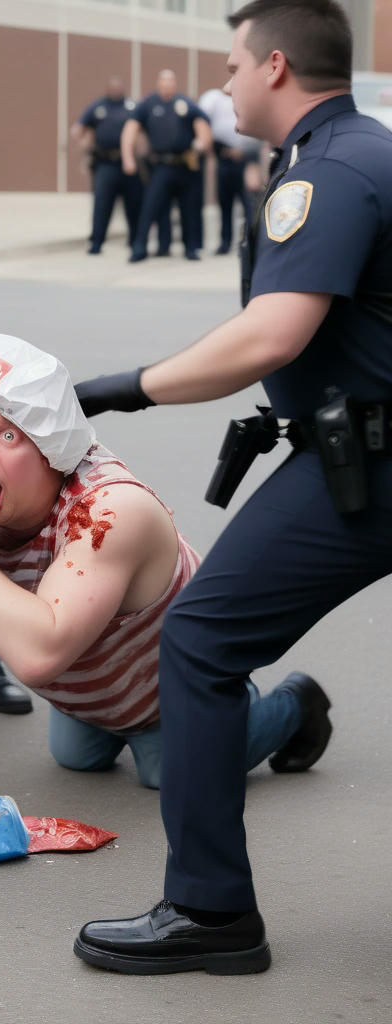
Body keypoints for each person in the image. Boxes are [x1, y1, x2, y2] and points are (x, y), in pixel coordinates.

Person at [72, 0, 392, 975]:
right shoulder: (357, 152)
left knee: (201, 637)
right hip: (352, 443)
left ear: (277, 66)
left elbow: (270, 335)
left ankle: (209, 910)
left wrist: (121, 389)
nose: (221, 83)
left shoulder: (327, 171)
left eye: (230, 65)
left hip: (371, 462)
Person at [0, 334, 328, 788]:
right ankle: (112, 719)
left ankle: (290, 704)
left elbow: (36, 656)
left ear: (53, 447)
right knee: (76, 757)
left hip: (173, 689)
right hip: (95, 689)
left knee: (167, 772)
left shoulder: (109, 510)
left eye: (7, 434)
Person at [122, 70, 212, 262]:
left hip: (185, 164)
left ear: (175, 83)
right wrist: (127, 157)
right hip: (161, 165)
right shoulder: (148, 104)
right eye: (164, 80)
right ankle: (140, 247)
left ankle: (191, 248)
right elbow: (131, 128)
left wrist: (201, 144)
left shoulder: (185, 103)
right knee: (150, 207)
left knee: (188, 208)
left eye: (171, 80)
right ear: (158, 83)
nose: (167, 84)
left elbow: (202, 125)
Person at [73, 77, 142, 255]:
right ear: (107, 88)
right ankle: (96, 242)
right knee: (102, 204)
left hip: (127, 162)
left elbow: (142, 130)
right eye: (112, 86)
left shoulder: (131, 106)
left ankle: (135, 240)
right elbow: (79, 128)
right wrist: (84, 147)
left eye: (118, 86)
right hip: (105, 163)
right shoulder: (98, 107)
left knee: (133, 203)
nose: (115, 89)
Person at [198, 85, 264, 254]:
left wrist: (248, 158)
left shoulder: (251, 103)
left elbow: (259, 138)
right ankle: (225, 242)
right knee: (224, 203)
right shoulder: (216, 102)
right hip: (224, 159)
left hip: (245, 160)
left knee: (249, 204)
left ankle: (252, 243)